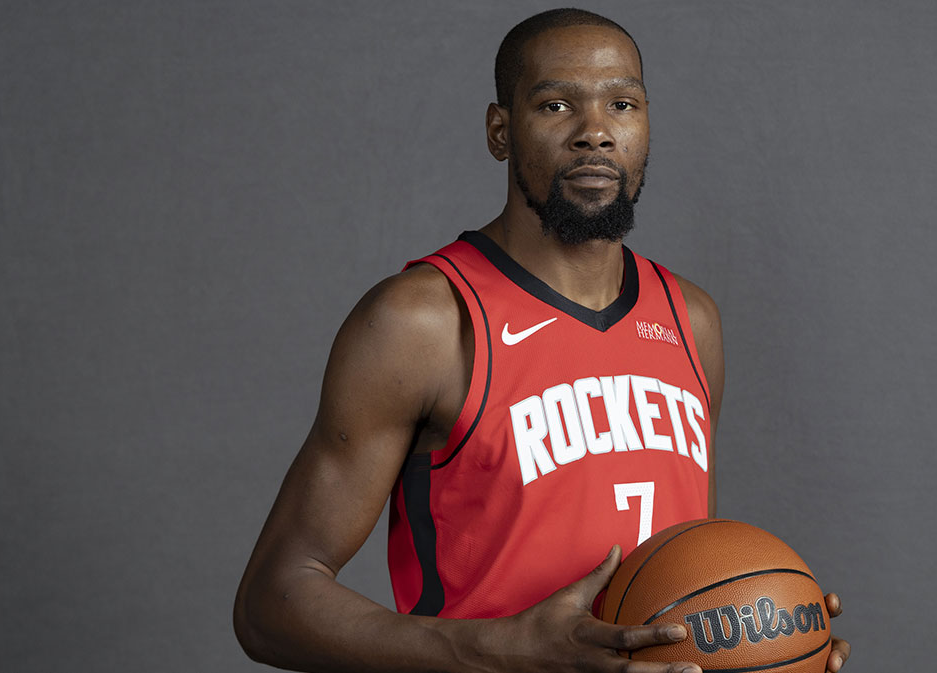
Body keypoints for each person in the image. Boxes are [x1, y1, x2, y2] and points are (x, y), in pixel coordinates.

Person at [234, 8, 851, 673]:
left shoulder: (691, 319)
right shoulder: (424, 322)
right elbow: (271, 603)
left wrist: (774, 637)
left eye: (622, 103)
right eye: (556, 104)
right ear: (501, 131)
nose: (595, 133)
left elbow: (684, 576)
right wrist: (500, 650)